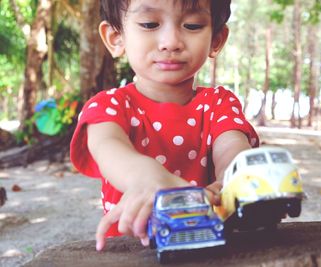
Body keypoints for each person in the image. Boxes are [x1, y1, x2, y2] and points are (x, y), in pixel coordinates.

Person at [70, 0, 259, 251]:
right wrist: (146, 177)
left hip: (212, 245)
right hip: (132, 252)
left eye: (192, 25)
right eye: (149, 24)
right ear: (116, 38)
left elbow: (233, 148)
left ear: (216, 40)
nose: (171, 41)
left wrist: (230, 182)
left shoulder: (219, 104)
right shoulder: (108, 105)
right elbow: (108, 146)